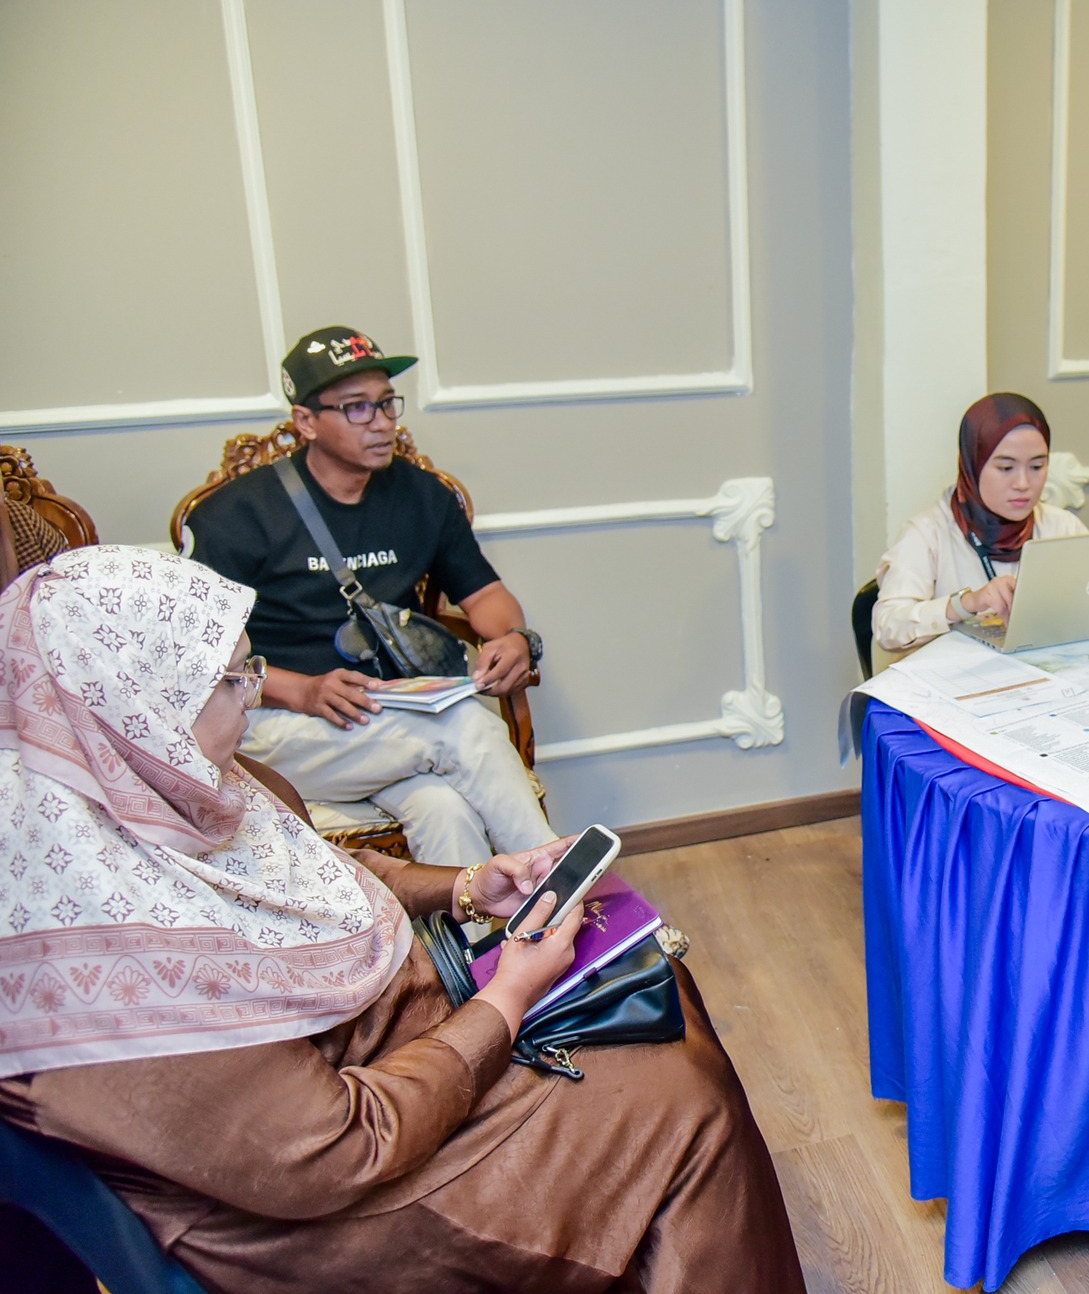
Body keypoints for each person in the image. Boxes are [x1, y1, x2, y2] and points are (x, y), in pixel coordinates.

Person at [0, 546, 805, 1293]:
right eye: (232, 678)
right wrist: (506, 999)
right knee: (681, 1101)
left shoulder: (160, 785)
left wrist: (471, 885)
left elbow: (317, 873)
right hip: (337, 1214)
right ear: (137, 705)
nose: (254, 693)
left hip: (392, 1067)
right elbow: (338, 1152)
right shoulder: (109, 972)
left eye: (253, 667)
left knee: (656, 992)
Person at [187, 326, 556, 867]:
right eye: (357, 407)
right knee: (466, 725)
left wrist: (514, 639)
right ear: (306, 421)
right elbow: (195, 657)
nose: (382, 422)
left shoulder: (421, 495)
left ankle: (478, 925)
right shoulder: (236, 514)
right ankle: (567, 897)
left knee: (445, 810)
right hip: (273, 726)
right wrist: (302, 690)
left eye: (386, 403)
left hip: (388, 717)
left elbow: (486, 594)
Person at [871, 392, 1085, 655]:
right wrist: (967, 603)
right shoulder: (927, 533)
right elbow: (888, 628)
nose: (1023, 483)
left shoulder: (1063, 527)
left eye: (1037, 466)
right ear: (972, 463)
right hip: (955, 675)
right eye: (1006, 468)